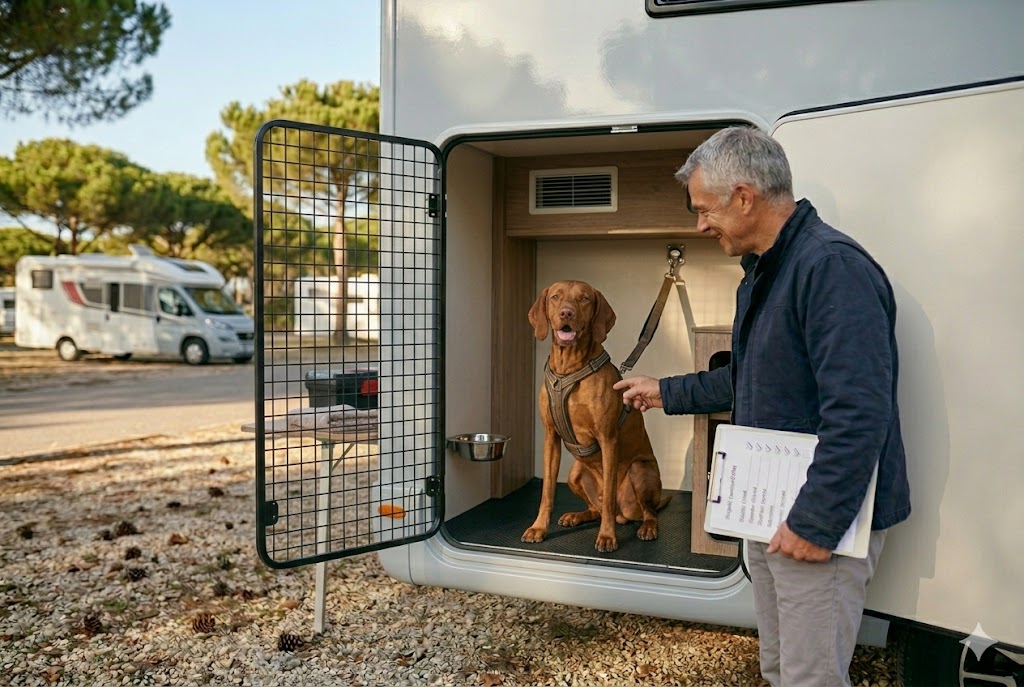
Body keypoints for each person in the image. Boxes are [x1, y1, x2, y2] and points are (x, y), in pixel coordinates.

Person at [613, 126, 911, 687]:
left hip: (813, 518)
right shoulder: (766, 271)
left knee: (810, 677)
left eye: (705, 210)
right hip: (772, 511)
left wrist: (815, 523)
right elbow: (750, 380)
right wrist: (666, 392)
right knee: (779, 669)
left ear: (745, 197)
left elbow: (859, 413)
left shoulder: (829, 268)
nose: (700, 224)